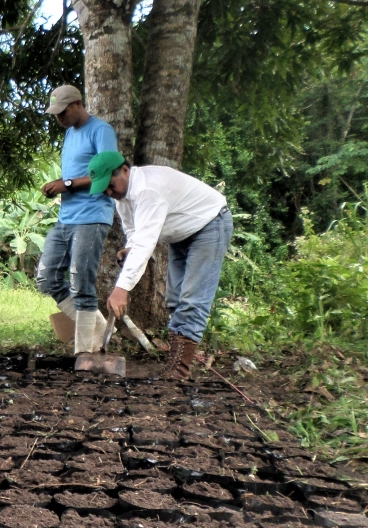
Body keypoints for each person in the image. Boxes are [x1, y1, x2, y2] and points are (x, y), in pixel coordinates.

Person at [87, 150, 234, 379]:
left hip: (209, 226)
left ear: (125, 170)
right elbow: (135, 232)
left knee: (192, 300)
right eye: (103, 188)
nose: (108, 191)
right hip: (180, 235)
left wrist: (121, 289)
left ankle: (180, 370)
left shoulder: (147, 190)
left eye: (110, 184)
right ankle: (176, 363)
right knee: (175, 300)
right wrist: (129, 248)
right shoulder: (122, 196)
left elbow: (146, 244)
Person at [35, 84, 119, 357]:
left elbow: (108, 172)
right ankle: (101, 327)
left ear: (78, 105)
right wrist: (58, 187)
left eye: (62, 112)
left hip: (92, 215)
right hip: (66, 217)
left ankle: (84, 354)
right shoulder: (70, 134)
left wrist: (67, 184)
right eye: (55, 113)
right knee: (46, 278)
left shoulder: (101, 130)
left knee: (81, 283)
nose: (58, 118)